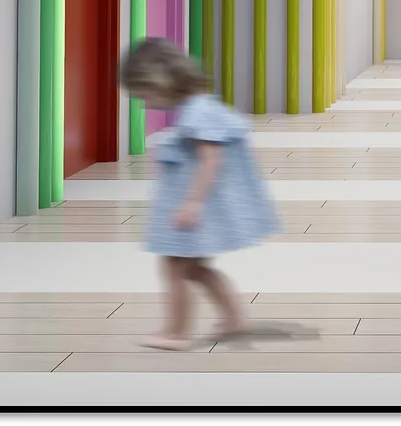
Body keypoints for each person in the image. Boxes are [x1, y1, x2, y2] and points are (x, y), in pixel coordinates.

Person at [118, 37, 280, 350]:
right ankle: (234, 319)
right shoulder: (200, 106)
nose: (142, 102)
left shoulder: (197, 112)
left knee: (174, 269)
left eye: (143, 93)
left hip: (194, 211)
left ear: (160, 81)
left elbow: (211, 160)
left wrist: (192, 203)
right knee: (193, 269)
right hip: (198, 209)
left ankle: (175, 332)